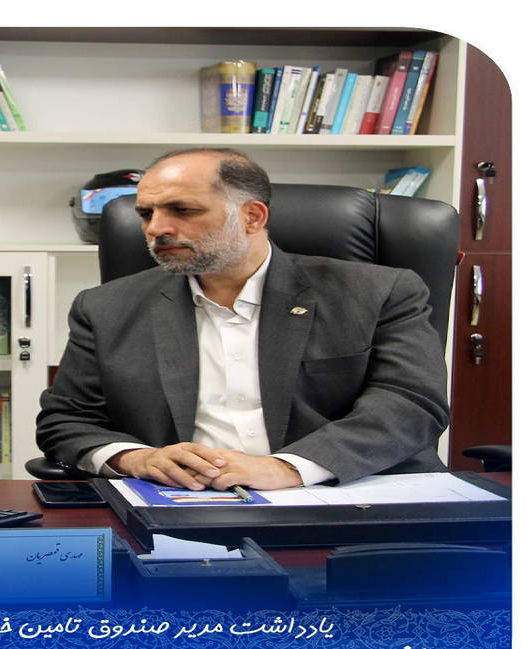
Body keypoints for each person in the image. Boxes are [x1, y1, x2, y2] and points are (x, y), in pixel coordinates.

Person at [36, 148, 449, 490]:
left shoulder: (377, 291)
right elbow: (66, 420)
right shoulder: (105, 308)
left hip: (349, 495)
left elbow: (411, 404)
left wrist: (288, 467)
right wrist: (136, 459)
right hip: (183, 505)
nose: (156, 229)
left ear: (252, 216)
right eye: (146, 213)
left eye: (183, 210)